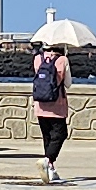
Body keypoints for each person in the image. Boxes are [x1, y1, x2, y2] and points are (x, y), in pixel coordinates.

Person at [31, 37, 75, 182]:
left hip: (40, 103)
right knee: (61, 134)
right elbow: (68, 84)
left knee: (47, 137)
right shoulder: (62, 60)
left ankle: (50, 169)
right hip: (57, 104)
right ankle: (48, 160)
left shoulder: (38, 58)